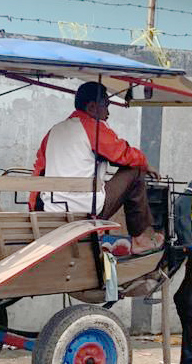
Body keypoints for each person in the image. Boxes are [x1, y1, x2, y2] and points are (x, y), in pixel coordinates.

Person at [30, 81, 164, 253]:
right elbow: (123, 154)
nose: (108, 113)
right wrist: (146, 164)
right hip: (86, 209)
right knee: (136, 169)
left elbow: (39, 171)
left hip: (51, 208)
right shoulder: (92, 127)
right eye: (106, 106)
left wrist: (34, 210)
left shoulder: (54, 130)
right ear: (92, 107)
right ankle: (139, 238)